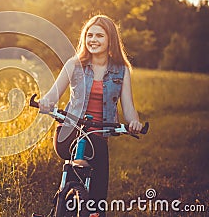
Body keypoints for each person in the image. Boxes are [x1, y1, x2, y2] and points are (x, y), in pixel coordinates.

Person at [39, 14, 143, 216]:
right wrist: (46, 102)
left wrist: (134, 123)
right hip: (69, 132)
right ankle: (68, 200)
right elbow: (52, 95)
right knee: (89, 153)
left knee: (98, 196)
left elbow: (128, 107)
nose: (93, 39)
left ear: (110, 39)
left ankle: (88, 206)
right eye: (89, 35)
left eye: (99, 35)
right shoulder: (74, 64)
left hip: (98, 136)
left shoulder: (121, 71)